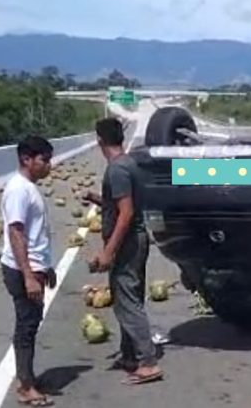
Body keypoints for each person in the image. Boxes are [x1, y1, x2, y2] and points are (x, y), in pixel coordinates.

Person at [82, 117, 163, 385]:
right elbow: (124, 203)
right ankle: (130, 355)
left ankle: (148, 362)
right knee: (131, 296)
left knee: (127, 301)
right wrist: (98, 199)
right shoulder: (130, 164)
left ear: (99, 140)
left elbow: (126, 214)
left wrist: (108, 251)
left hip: (128, 242)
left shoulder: (116, 169)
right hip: (137, 239)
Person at [0, 135, 57, 406]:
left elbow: (35, 236)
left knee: (30, 325)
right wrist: (28, 275)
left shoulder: (29, 187)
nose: (49, 166)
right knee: (26, 327)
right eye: (44, 160)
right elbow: (16, 233)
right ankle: (25, 386)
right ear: (27, 159)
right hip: (23, 271)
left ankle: (28, 377)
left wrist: (47, 267)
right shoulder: (18, 190)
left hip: (34, 267)